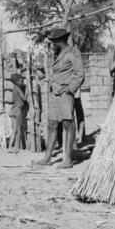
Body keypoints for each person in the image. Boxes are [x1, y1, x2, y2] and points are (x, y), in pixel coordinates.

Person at [33, 27, 84, 169]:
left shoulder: (73, 52)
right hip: (54, 94)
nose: (51, 44)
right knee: (52, 125)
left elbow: (80, 74)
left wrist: (70, 90)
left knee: (68, 124)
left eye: (53, 41)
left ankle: (67, 159)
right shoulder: (57, 53)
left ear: (59, 41)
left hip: (65, 94)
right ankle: (47, 158)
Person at [7, 73, 29, 153]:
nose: (23, 81)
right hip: (18, 110)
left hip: (13, 109)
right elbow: (24, 98)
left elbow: (13, 100)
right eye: (21, 80)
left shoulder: (14, 89)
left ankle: (10, 147)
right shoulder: (18, 88)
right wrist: (27, 90)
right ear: (16, 82)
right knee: (18, 130)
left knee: (14, 130)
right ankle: (16, 147)